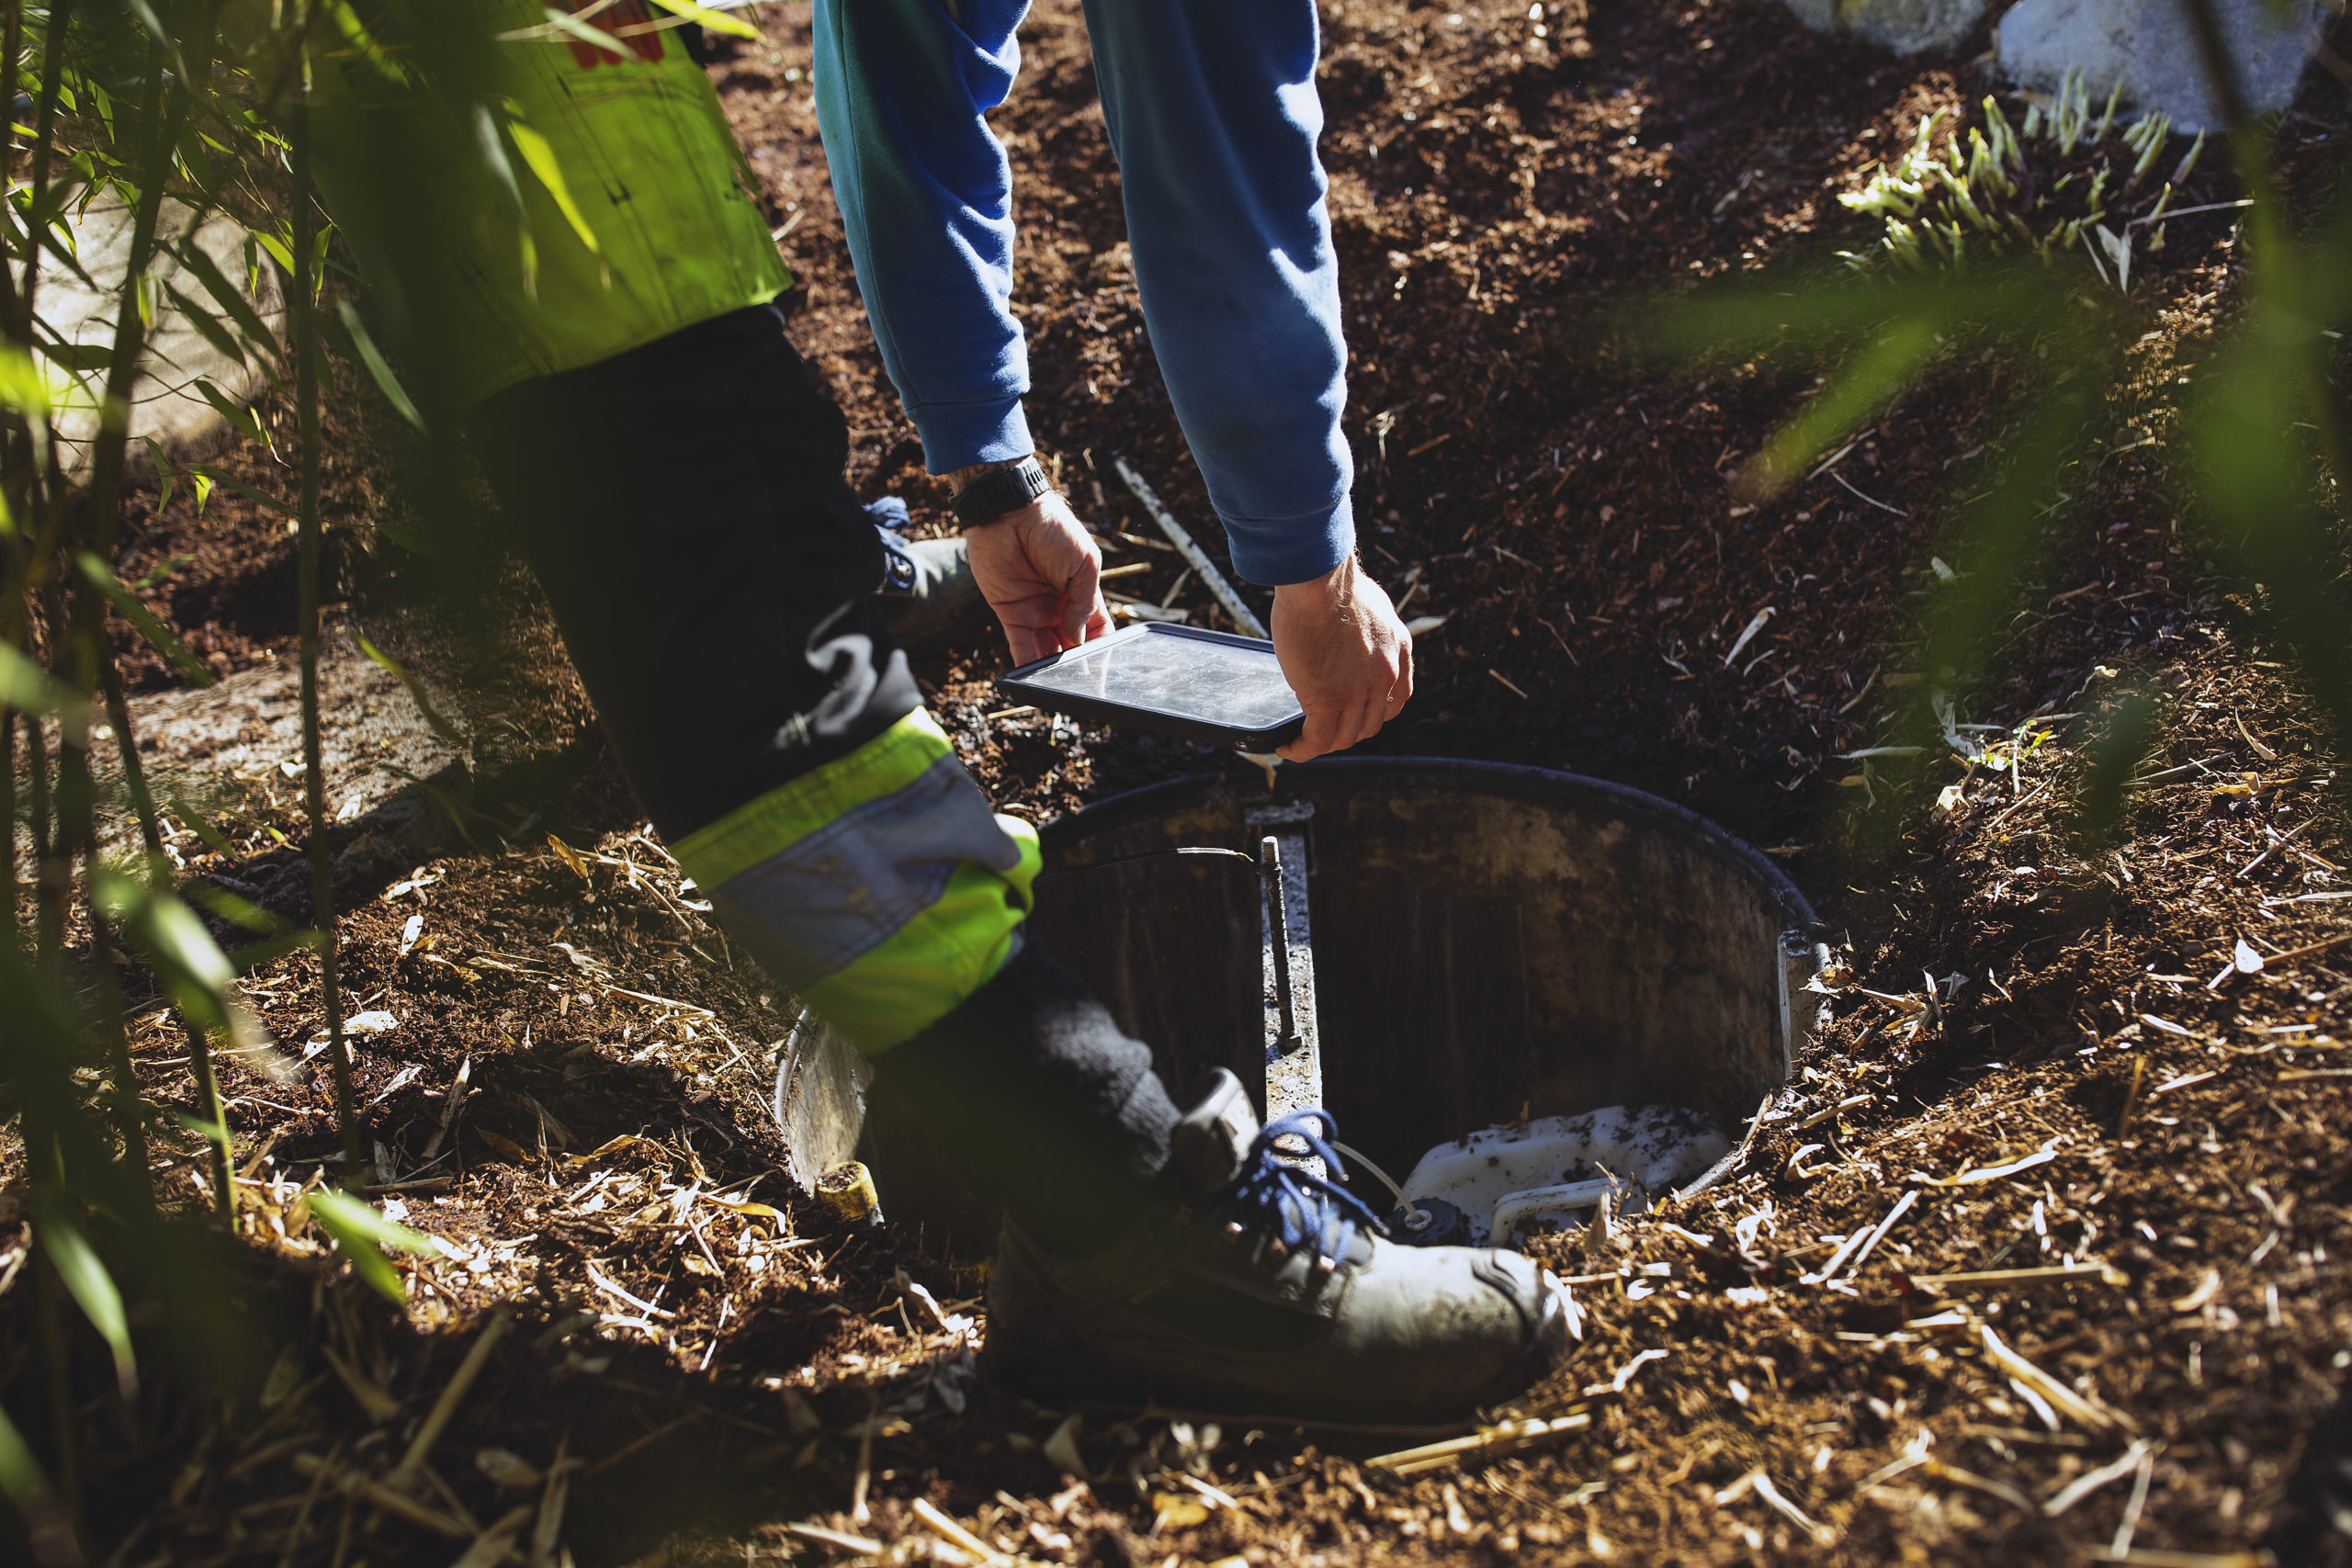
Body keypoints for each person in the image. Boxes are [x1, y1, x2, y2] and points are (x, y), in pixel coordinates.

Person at [311, 0, 1568, 1421]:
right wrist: (1306, 554)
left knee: (734, 539)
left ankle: (1106, 1201)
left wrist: (992, 477)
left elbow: (905, 64)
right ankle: (1146, 1238)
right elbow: (1213, 129)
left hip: (552, 128)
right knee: (738, 623)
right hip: (526, 135)